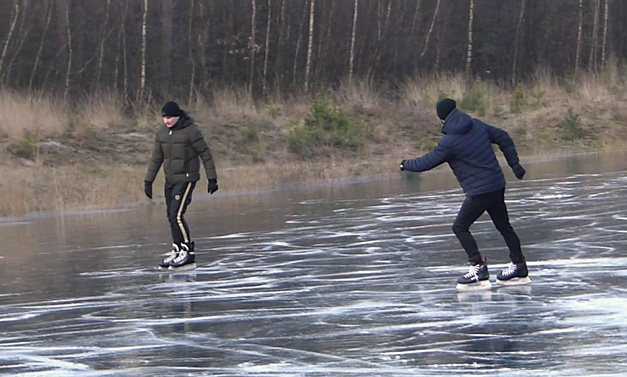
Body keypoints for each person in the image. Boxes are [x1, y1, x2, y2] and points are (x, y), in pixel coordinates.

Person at [400, 98, 529, 290]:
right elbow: (503, 136)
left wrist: (405, 164)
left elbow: (426, 163)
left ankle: (478, 268)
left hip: (479, 191)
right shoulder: (477, 125)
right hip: (496, 184)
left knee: (459, 227)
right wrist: (515, 166)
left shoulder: (449, 143)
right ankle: (519, 266)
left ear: (442, 119)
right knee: (504, 226)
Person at [144, 101, 219, 269]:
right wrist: (148, 180)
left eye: (169, 117)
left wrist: (212, 178)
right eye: (164, 117)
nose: (166, 121)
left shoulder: (191, 130)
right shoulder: (162, 133)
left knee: (177, 215)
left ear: (177, 116)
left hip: (186, 178)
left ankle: (187, 252)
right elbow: (156, 158)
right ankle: (177, 250)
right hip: (170, 179)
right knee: (171, 216)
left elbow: (205, 153)